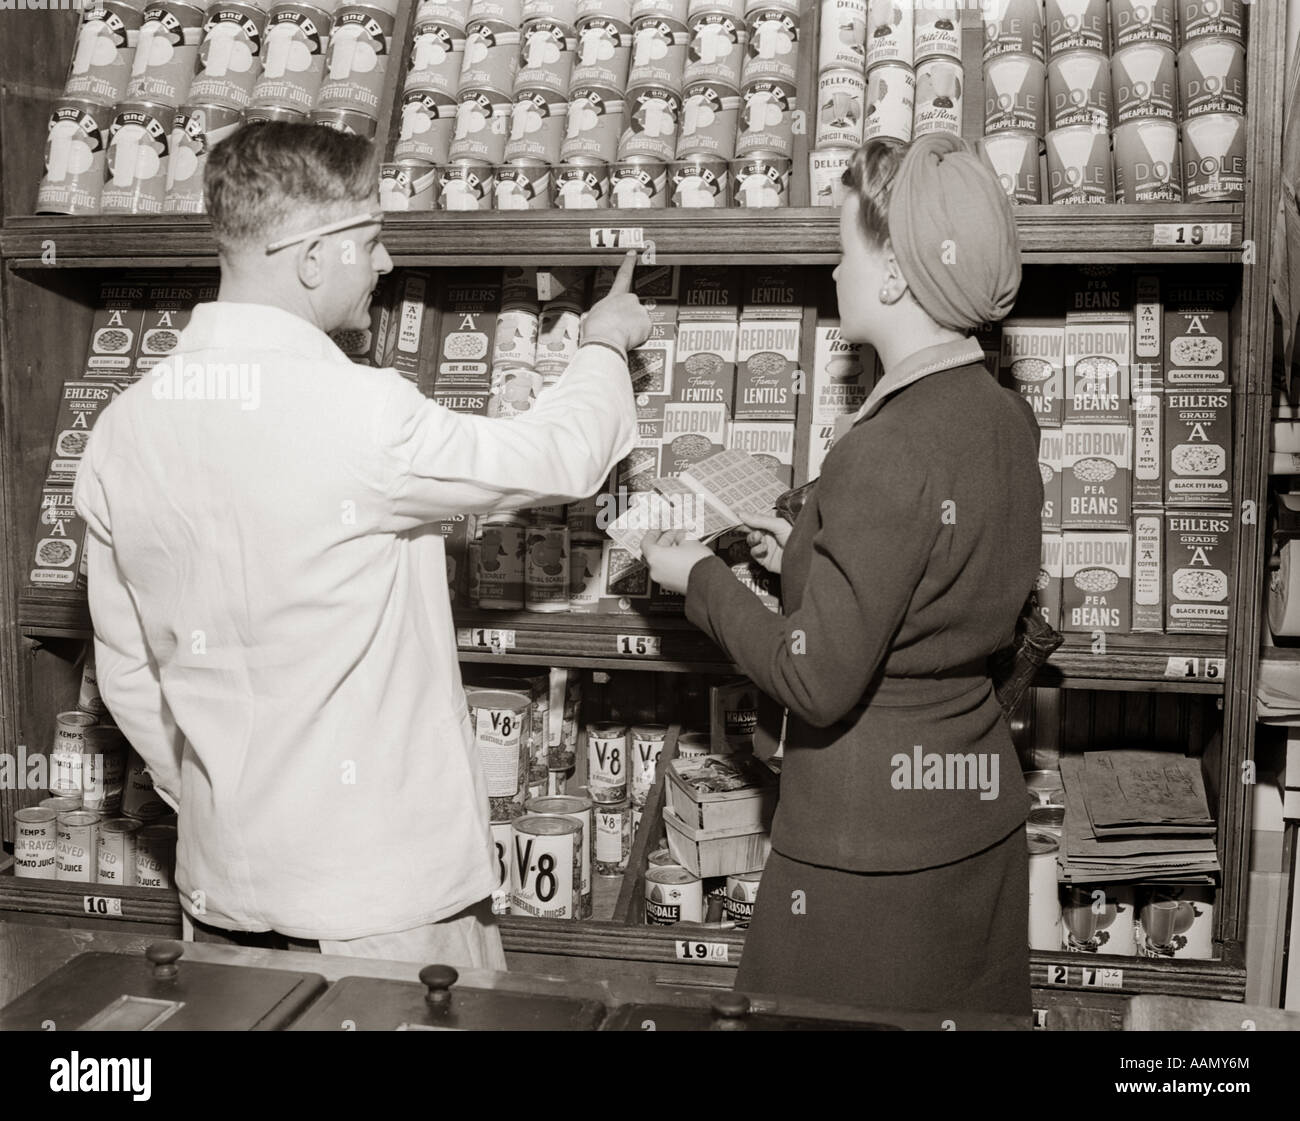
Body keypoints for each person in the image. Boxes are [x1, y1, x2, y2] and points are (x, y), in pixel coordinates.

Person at [73, 123, 650, 964]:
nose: (383, 264)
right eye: (371, 241)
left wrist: (223, 799)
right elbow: (559, 455)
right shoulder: (362, 414)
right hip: (384, 916)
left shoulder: (121, 432)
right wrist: (602, 342)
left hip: (222, 898)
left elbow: (128, 676)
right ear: (311, 257)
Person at [643, 134, 1042, 1017]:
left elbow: (815, 681)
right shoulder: (1007, 419)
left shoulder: (882, 448)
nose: (832, 273)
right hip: (973, 824)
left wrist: (701, 578)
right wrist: (803, 562)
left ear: (895, 274)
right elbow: (932, 603)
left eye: (843, 251)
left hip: (866, 858)